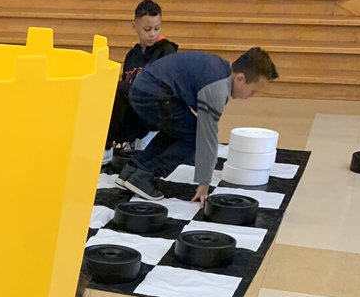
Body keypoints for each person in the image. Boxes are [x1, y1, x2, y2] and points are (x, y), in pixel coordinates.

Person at [116, 47, 278, 204]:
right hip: (151, 95)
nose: (251, 96)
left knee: (180, 128)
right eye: (252, 91)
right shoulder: (217, 89)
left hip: (143, 88)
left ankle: (132, 170)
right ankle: (144, 175)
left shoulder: (220, 68)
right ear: (240, 78)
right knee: (194, 137)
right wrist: (204, 182)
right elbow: (206, 138)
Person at [107, 0, 179, 149]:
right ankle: (120, 139)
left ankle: (107, 145)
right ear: (135, 26)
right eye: (147, 29)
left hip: (155, 112)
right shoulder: (132, 55)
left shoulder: (166, 50)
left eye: (157, 28)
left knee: (122, 88)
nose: (152, 34)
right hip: (135, 114)